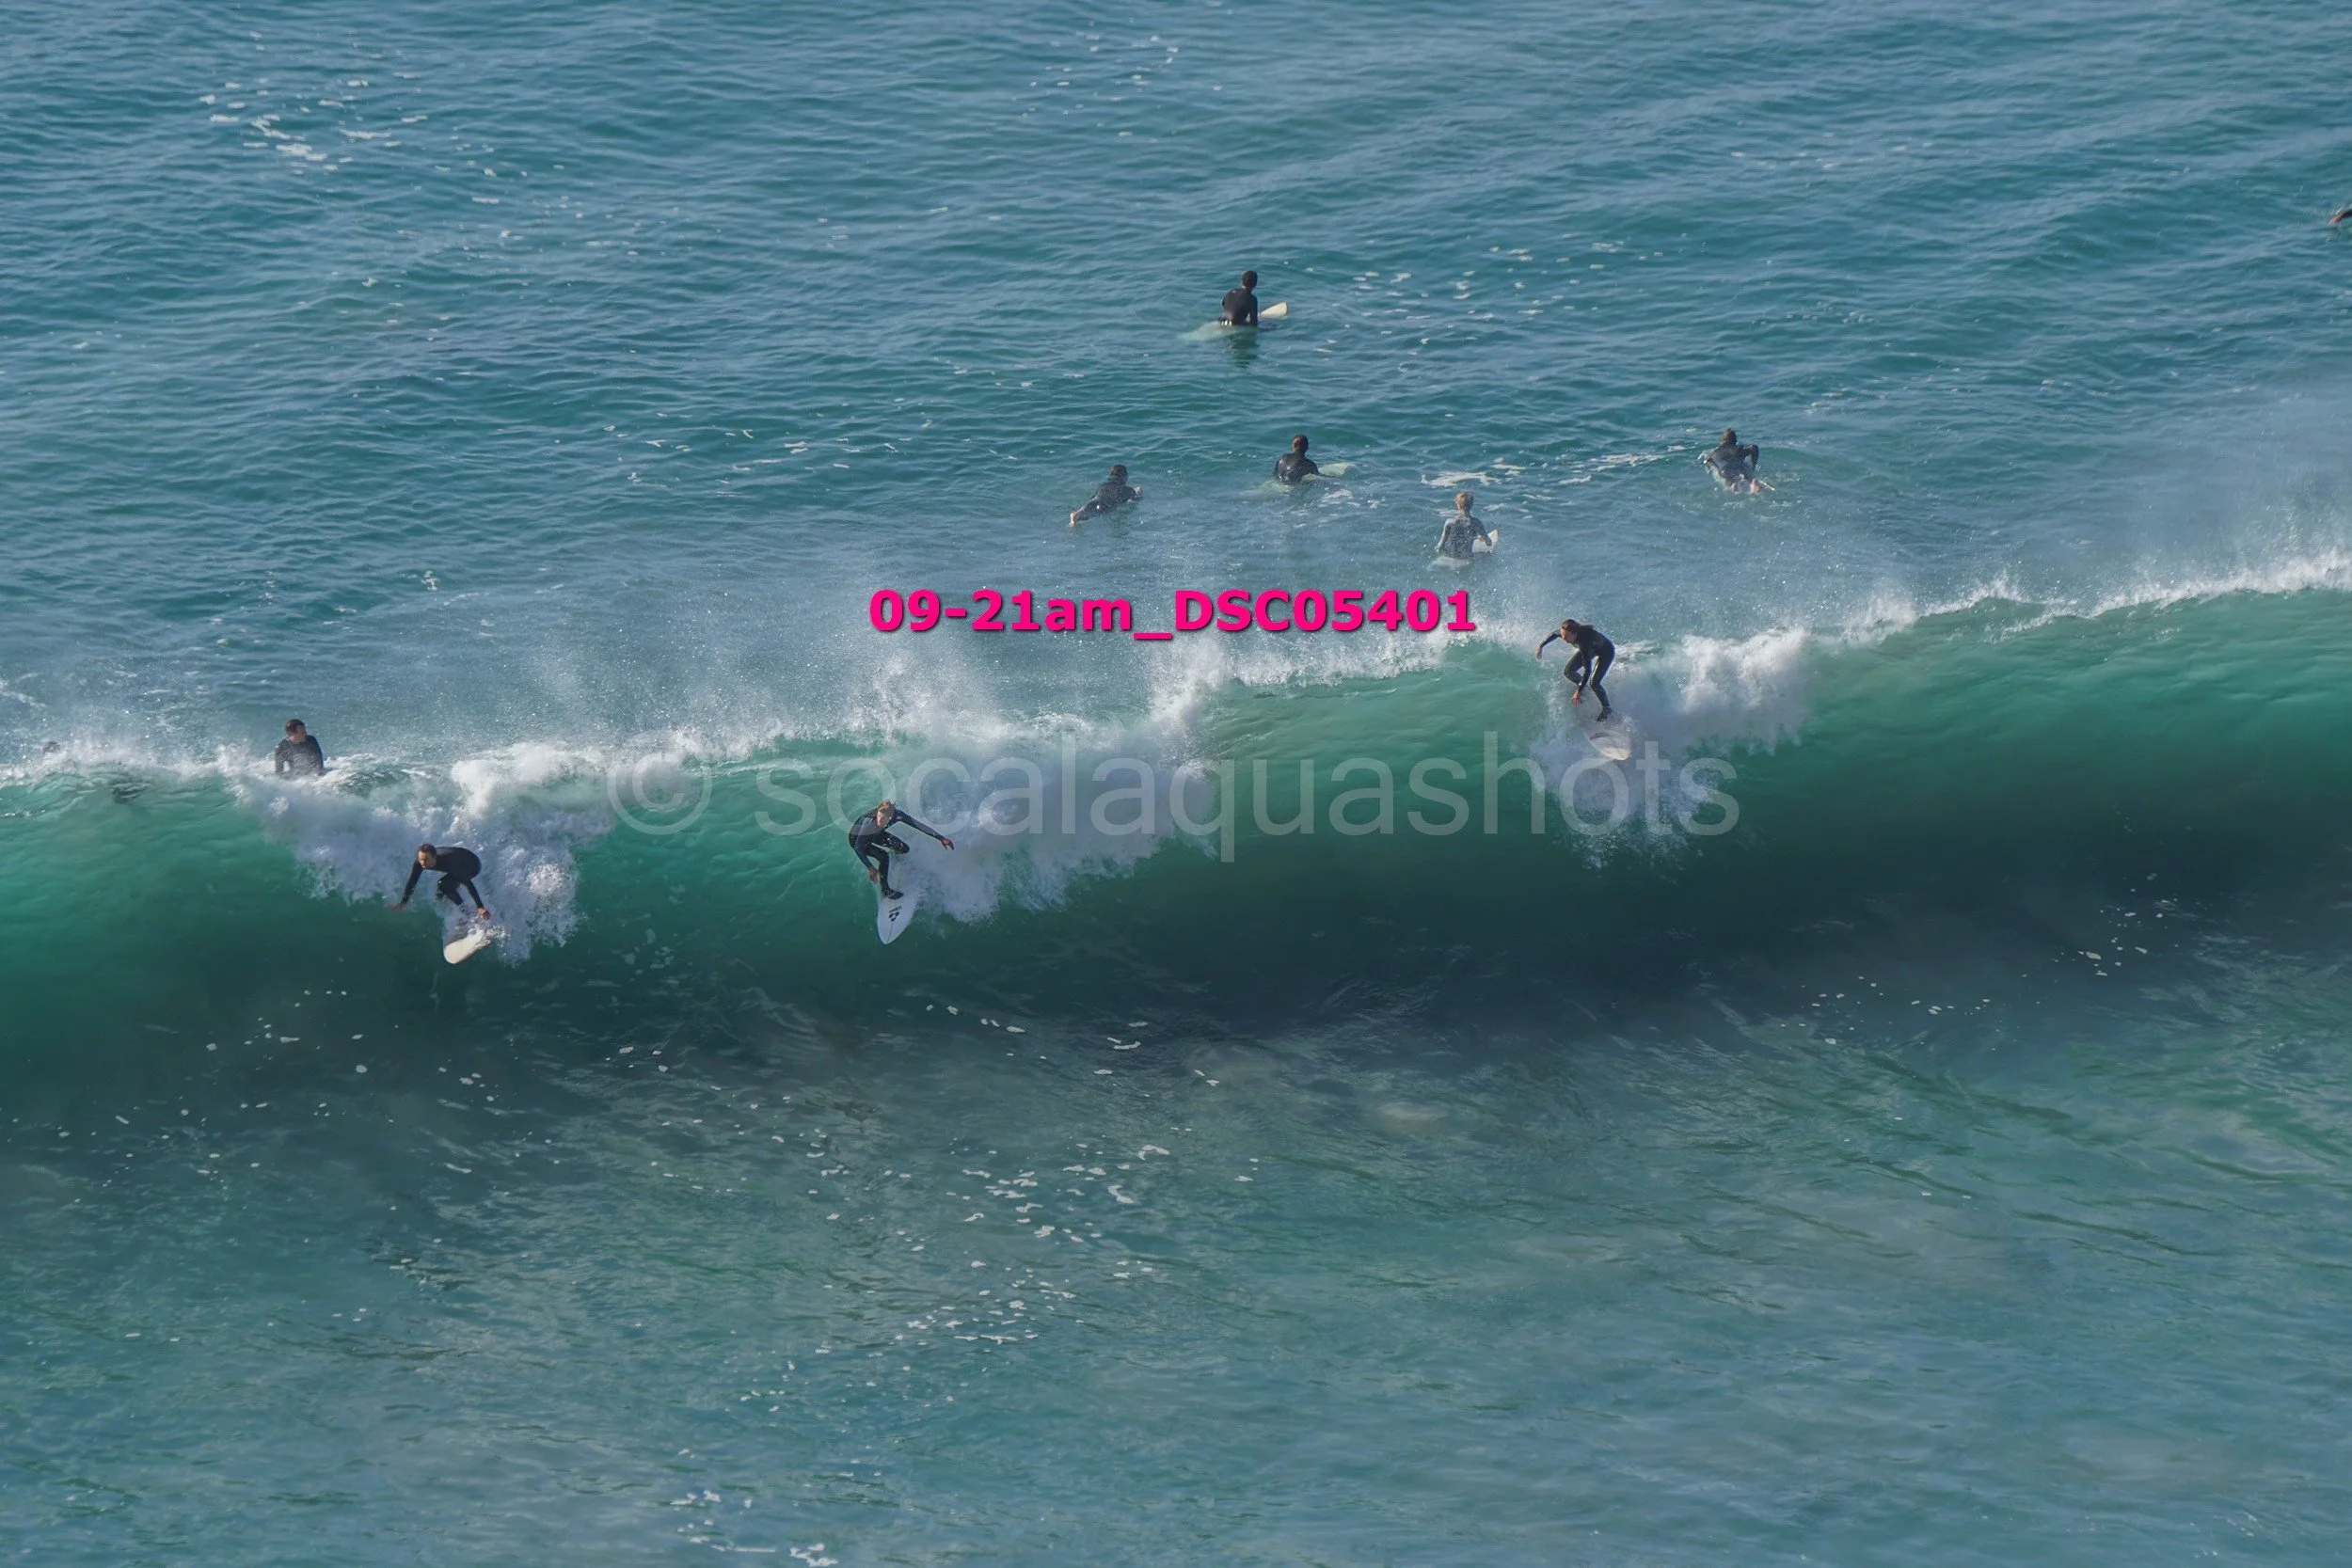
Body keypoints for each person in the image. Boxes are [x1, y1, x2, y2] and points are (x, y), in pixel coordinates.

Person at [849, 800, 953, 901]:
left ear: (890, 818)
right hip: (857, 840)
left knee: (903, 848)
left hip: (876, 834)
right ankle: (886, 890)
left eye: (883, 819)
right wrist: (870, 868)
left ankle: (890, 861)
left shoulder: (897, 815)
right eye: (878, 816)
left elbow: (917, 825)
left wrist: (941, 838)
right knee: (884, 856)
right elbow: (858, 847)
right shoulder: (869, 823)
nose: (879, 821)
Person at [1535, 618, 1615, 721]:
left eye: (1566, 637)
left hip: (1606, 652)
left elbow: (1587, 670)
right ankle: (1584, 688)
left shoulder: (1584, 644)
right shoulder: (1567, 632)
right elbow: (1554, 634)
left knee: (1594, 683)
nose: (1563, 639)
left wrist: (1578, 691)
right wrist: (1541, 646)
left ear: (1574, 634)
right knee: (1568, 671)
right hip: (1593, 648)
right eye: (1562, 635)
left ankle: (1607, 709)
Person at [394, 844, 489, 922]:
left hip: (472, 866)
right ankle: (461, 910)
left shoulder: (448, 861)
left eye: (426, 859)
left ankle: (467, 914)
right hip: (459, 860)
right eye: (420, 859)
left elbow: (468, 883)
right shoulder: (420, 862)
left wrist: (480, 906)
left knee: (443, 885)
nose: (422, 863)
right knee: (440, 895)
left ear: (434, 857)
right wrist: (404, 902)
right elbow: (412, 881)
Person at [1070, 464, 1141, 527]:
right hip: (1106, 505)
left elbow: (1093, 497)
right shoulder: (1127, 490)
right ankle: (1077, 515)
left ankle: (1078, 513)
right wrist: (1138, 492)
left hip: (1095, 501)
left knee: (1088, 510)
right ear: (1123, 476)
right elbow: (1136, 499)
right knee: (1097, 512)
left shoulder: (1102, 486)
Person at [1436, 491, 1493, 559]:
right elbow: (1489, 543)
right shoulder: (1476, 523)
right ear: (1471, 505)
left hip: (1453, 556)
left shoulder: (1449, 522)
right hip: (1467, 557)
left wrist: (1448, 555)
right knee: (1489, 553)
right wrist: (1481, 537)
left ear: (1458, 505)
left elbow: (1439, 547)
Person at [1702, 429, 1764, 493]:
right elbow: (1754, 447)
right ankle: (1753, 484)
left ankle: (1733, 486)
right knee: (1747, 474)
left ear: (1722, 441)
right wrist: (1754, 464)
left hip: (1725, 471)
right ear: (1735, 441)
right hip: (1738, 467)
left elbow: (1706, 461)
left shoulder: (1713, 453)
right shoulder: (1739, 448)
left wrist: (1708, 464)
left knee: (1729, 480)